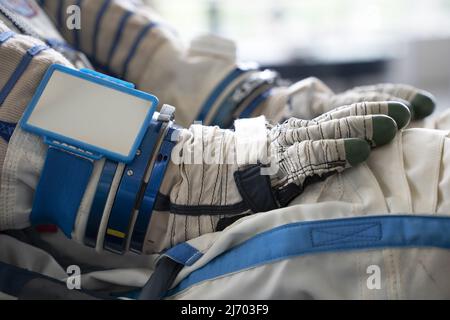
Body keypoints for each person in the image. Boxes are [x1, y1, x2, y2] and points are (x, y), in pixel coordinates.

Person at [0, 0, 449, 299]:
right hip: (114, 259)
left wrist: (263, 106)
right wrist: (172, 174)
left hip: (179, 163)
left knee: (424, 136)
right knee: (420, 186)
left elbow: (131, 44)